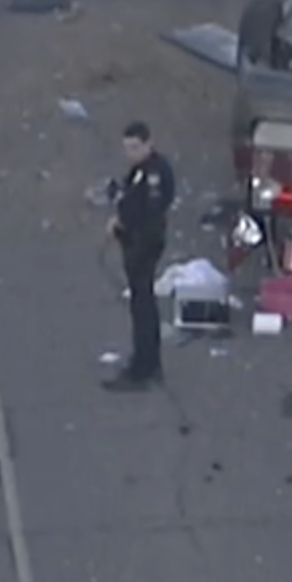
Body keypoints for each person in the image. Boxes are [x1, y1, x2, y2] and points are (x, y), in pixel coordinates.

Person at [103, 120, 176, 391]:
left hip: (144, 243)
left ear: (149, 143)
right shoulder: (140, 170)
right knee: (141, 303)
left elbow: (150, 209)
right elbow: (131, 197)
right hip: (135, 240)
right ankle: (148, 361)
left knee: (142, 306)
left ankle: (142, 368)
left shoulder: (154, 173)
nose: (130, 153)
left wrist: (123, 222)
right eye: (126, 148)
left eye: (135, 147)